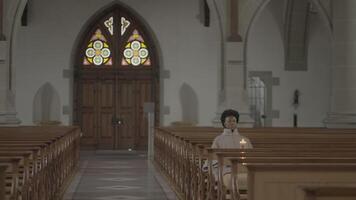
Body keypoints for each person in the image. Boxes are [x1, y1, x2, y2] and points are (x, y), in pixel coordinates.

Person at [203, 109, 253, 191]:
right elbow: (213, 158)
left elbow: (251, 156)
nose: (232, 123)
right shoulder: (218, 140)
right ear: (224, 123)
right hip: (225, 168)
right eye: (229, 121)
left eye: (234, 121)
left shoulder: (245, 139)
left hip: (242, 168)